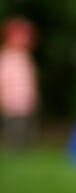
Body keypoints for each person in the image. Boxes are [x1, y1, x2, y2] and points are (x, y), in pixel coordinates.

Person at [0, 17, 39, 150]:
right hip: (11, 102)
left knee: (25, 128)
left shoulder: (25, 57)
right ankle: (13, 149)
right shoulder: (6, 57)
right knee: (13, 128)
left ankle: (23, 150)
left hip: (25, 102)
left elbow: (29, 80)